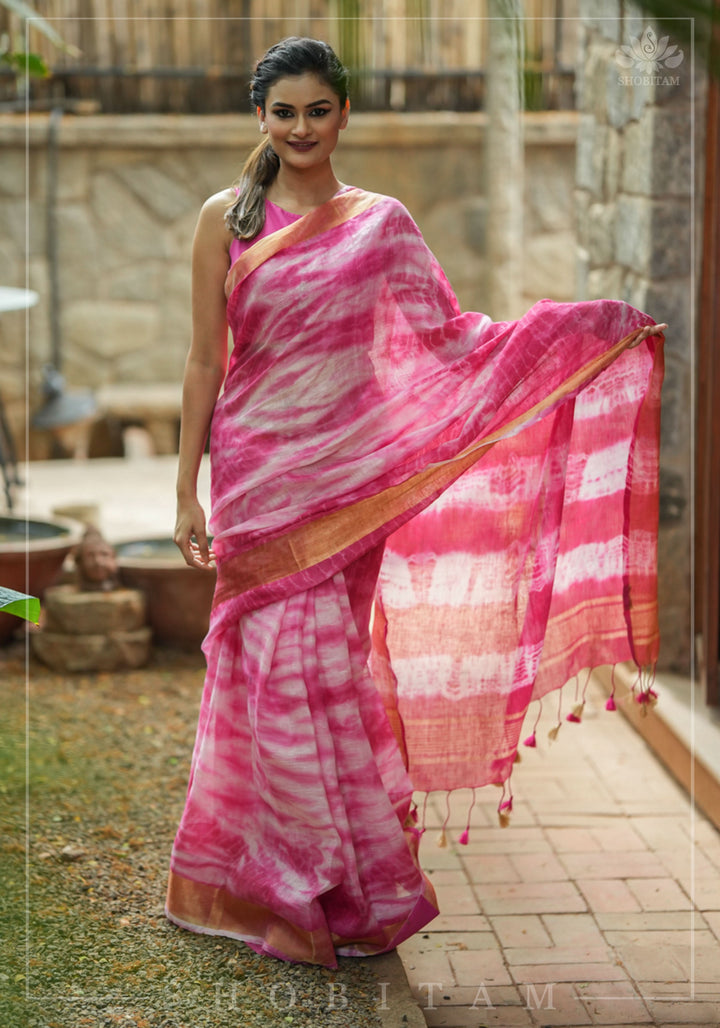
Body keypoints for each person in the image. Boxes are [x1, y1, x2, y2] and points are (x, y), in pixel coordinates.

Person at [167, 37, 666, 968]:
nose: (303, 128)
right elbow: (205, 360)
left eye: (319, 110)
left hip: (347, 483)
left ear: (344, 114)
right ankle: (278, 877)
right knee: (268, 674)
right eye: (285, 112)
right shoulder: (225, 221)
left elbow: (451, 338)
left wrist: (577, 335)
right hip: (256, 473)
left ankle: (340, 885)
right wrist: (185, 483)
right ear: (261, 119)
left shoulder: (381, 223)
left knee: (326, 672)